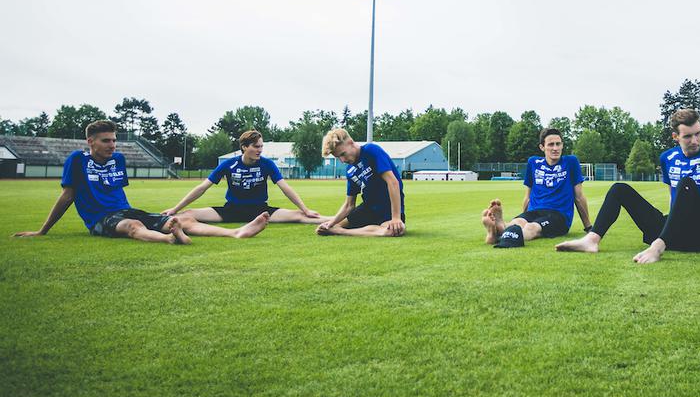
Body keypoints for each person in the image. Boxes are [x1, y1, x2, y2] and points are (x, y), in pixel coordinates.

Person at [12, 120, 269, 244]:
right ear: (90, 142)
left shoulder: (119, 159)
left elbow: (117, 196)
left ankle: (235, 232)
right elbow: (67, 196)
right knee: (133, 225)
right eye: (106, 141)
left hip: (125, 210)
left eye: (114, 140)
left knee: (183, 220)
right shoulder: (77, 161)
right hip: (101, 219)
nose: (113, 144)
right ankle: (169, 239)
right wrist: (42, 230)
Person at [556, 108, 700, 263]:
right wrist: (666, 226)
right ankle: (592, 240)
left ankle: (658, 248)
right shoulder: (667, 158)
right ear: (675, 137)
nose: (695, 140)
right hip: (673, 231)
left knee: (686, 183)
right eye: (688, 136)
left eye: (698, 133)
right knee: (619, 189)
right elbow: (674, 198)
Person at [163, 130, 321, 224]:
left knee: (301, 216)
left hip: (261, 211)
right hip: (232, 210)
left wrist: (305, 209)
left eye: (261, 146)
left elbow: (285, 188)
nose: (260, 150)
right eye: (256, 146)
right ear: (245, 147)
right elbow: (202, 188)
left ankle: (339, 221)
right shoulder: (228, 164)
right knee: (187, 214)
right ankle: (154, 222)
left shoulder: (267, 164)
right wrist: (175, 209)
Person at [482, 127, 592, 248]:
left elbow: (579, 197)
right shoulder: (533, 163)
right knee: (517, 222)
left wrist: (588, 227)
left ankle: (501, 236)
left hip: (558, 216)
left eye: (558, 144)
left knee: (532, 227)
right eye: (550, 144)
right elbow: (527, 197)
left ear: (562, 145)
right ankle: (500, 227)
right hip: (534, 211)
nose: (555, 148)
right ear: (542, 147)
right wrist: (522, 216)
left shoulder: (571, 162)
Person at [316, 128, 406, 236]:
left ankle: (342, 232)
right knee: (333, 225)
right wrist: (331, 223)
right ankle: (339, 228)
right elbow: (349, 205)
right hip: (368, 209)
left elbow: (393, 182)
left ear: (350, 143)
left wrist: (396, 218)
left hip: (388, 210)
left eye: (343, 154)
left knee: (393, 231)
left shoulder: (371, 150)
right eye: (338, 157)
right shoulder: (350, 170)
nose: (342, 160)